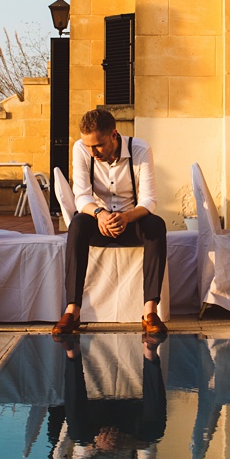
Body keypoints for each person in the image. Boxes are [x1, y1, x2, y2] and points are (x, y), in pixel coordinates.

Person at [53, 108, 168, 338]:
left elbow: (149, 199)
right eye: (88, 146)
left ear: (114, 135)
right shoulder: (81, 149)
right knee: (77, 224)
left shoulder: (140, 149)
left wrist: (127, 217)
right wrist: (100, 214)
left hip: (131, 221)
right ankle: (73, 310)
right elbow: (82, 196)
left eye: (98, 145)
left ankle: (150, 311)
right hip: (98, 221)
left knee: (156, 225)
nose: (92, 152)